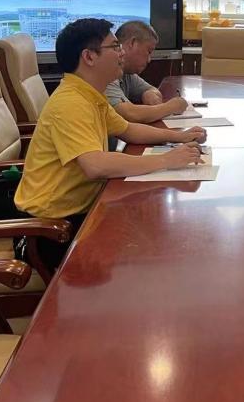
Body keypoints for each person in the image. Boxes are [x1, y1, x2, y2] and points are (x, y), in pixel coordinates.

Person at [15, 18, 207, 271]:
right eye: (115, 47)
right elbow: (95, 165)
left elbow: (128, 130)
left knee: (156, 240)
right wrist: (166, 160)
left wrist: (178, 137)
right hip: (51, 229)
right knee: (151, 256)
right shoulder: (70, 103)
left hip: (84, 212)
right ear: (89, 57)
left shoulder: (90, 95)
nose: (121, 53)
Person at [105, 20, 188, 123]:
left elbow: (152, 90)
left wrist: (148, 93)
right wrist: (172, 107)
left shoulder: (127, 73)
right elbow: (130, 114)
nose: (149, 60)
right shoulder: (106, 70)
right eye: (148, 51)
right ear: (132, 43)